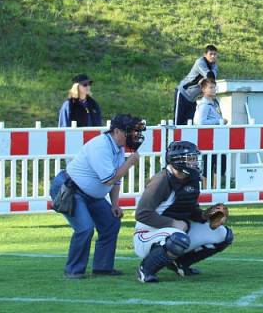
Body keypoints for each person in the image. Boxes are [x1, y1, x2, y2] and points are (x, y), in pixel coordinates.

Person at [49, 114, 145, 279]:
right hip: (71, 190)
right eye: (131, 131)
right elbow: (109, 179)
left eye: (136, 131)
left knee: (111, 222)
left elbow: (116, 180)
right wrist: (129, 164)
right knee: (85, 228)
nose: (135, 135)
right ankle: (73, 270)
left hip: (88, 194)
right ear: (116, 131)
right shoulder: (101, 146)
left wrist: (115, 204)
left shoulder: (117, 147)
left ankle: (102, 267)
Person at [134, 141, 233, 282]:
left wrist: (206, 216)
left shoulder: (191, 179)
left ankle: (180, 264)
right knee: (178, 239)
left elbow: (190, 209)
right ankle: (146, 270)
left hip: (177, 232)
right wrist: (173, 223)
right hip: (147, 233)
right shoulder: (162, 180)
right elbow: (142, 213)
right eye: (191, 159)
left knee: (224, 234)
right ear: (178, 161)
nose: (195, 163)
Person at [193, 78, 227, 189]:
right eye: (210, 87)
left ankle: (215, 189)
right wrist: (219, 121)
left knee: (221, 165)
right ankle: (207, 190)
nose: (213, 90)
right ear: (203, 89)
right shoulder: (204, 105)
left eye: (214, 87)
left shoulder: (215, 102)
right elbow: (201, 122)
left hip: (218, 139)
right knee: (208, 165)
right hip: (209, 139)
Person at [174, 45, 219, 126]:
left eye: (215, 54)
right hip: (183, 93)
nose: (213, 56)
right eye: (211, 54)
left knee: (189, 123)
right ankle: (173, 138)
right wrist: (203, 80)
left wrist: (203, 81)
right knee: (178, 122)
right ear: (205, 55)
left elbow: (211, 80)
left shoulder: (214, 66)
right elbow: (210, 76)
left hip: (193, 98)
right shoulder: (200, 62)